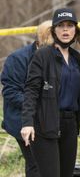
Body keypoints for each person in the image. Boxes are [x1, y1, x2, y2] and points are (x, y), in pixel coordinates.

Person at [20, 8, 80, 177]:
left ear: (76, 31)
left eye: (70, 26)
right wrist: (27, 122)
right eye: (60, 26)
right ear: (53, 30)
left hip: (70, 125)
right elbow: (31, 91)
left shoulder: (77, 59)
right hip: (45, 124)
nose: (65, 30)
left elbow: (76, 96)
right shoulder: (42, 56)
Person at [1, 20, 53, 177]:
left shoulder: (61, 57)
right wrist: (39, 105)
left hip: (50, 122)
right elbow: (10, 92)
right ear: (40, 41)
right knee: (36, 165)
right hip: (23, 120)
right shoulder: (17, 59)